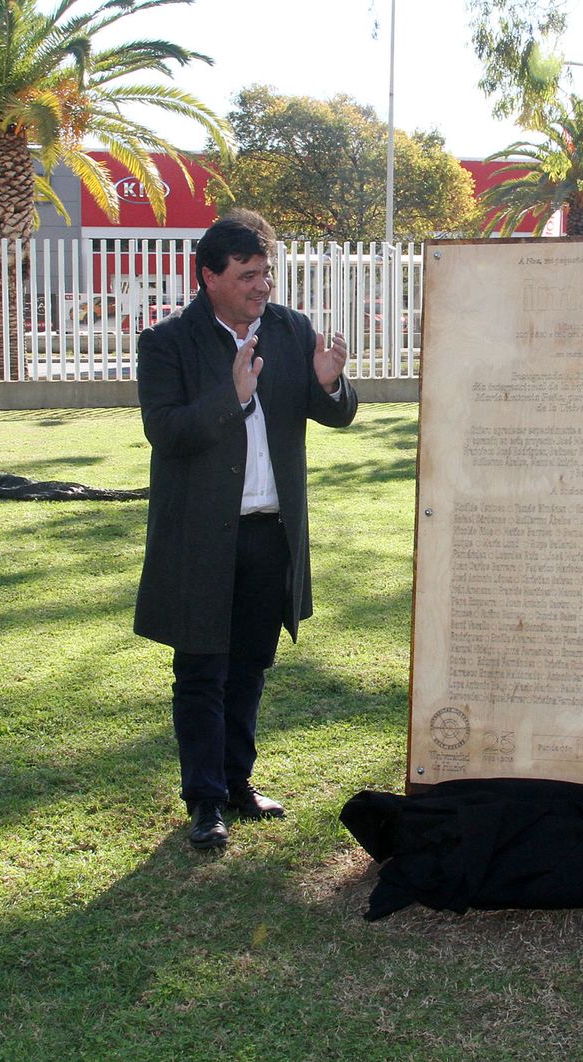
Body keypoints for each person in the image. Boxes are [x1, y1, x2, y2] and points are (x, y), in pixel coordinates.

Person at [134, 209, 358, 849]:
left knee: (251, 665)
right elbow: (166, 433)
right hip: (202, 537)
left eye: (268, 273)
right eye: (249, 275)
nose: (264, 286)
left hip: (271, 533)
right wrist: (228, 397)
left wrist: (330, 383)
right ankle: (204, 801)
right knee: (202, 667)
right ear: (209, 276)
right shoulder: (168, 343)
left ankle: (237, 783)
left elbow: (329, 413)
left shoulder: (291, 330)